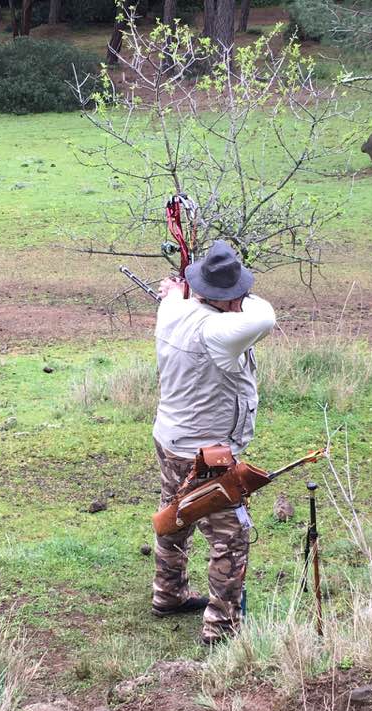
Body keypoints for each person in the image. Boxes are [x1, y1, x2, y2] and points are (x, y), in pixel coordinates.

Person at [150, 240, 276, 644]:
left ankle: (168, 593)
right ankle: (222, 627)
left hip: (170, 439)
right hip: (208, 455)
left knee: (177, 515)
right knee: (231, 538)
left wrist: (183, 288)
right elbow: (266, 316)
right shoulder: (219, 329)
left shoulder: (172, 308)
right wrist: (238, 295)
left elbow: (178, 295)